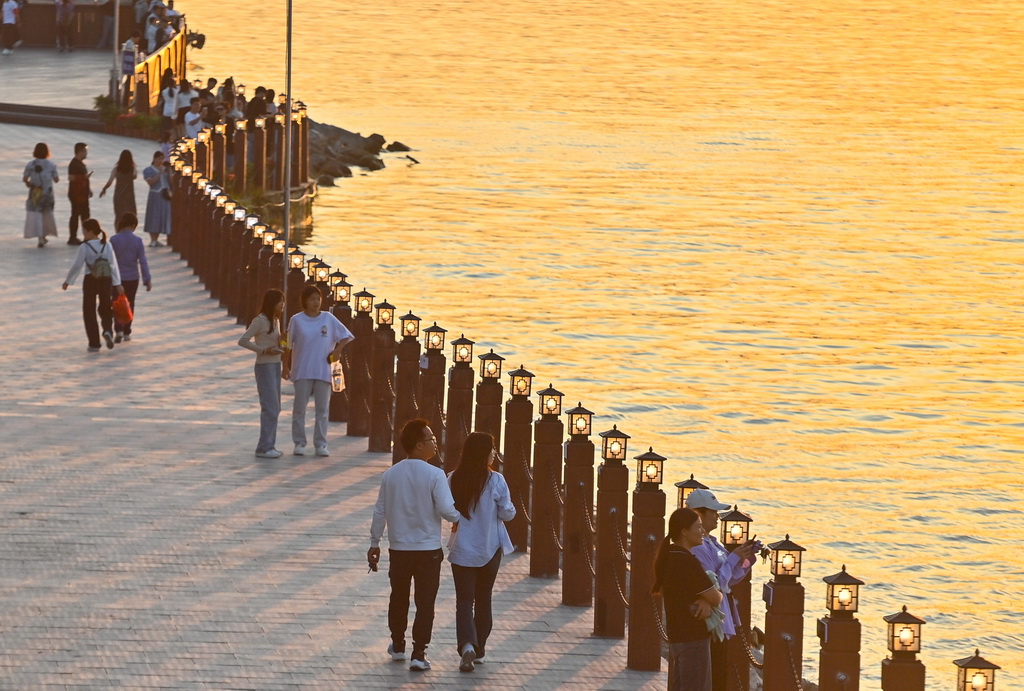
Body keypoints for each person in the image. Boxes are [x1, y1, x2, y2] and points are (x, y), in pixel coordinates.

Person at [369, 419, 463, 672]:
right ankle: (419, 652)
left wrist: (374, 542)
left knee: (398, 597)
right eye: (431, 439)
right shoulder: (435, 475)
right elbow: (446, 509)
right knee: (425, 602)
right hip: (428, 550)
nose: (435, 443)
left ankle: (398, 644)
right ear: (420, 445)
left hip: (399, 548)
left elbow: (380, 511)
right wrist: (461, 519)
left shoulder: (391, 474)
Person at [446, 432, 515, 672]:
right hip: (489, 548)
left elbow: (447, 510)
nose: (495, 453)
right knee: (484, 598)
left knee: (464, 600)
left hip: (462, 548)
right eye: (492, 448)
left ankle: (467, 645)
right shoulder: (496, 480)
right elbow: (508, 513)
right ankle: (480, 649)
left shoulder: (453, 478)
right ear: (483, 453)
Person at [685, 489, 758, 691]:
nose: (718, 517)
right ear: (699, 515)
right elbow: (714, 582)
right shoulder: (697, 546)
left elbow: (731, 578)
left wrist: (746, 557)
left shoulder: (712, 541)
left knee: (718, 673)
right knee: (711, 675)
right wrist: (733, 558)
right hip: (710, 619)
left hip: (721, 617)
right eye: (714, 512)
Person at [653, 508, 723, 691]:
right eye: (698, 527)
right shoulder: (686, 562)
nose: (702, 531)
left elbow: (701, 595)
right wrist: (710, 599)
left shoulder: (670, 556)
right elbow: (717, 597)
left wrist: (705, 600)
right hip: (694, 639)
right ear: (684, 531)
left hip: (678, 636)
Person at [283, 285, 354, 457]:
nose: (316, 302)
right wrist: (285, 366)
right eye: (312, 299)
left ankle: (321, 444)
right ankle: (299, 442)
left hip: (323, 369)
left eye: (318, 298)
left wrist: (338, 350)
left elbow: (346, 336)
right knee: (299, 409)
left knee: (322, 409)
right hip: (302, 369)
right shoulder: (296, 320)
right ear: (305, 301)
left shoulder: (328, 318)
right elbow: (287, 344)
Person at [62, 218, 125, 352]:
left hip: (91, 279)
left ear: (90, 231)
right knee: (105, 307)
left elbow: (77, 265)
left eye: (84, 230)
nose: (83, 233)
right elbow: (113, 265)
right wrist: (117, 283)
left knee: (89, 311)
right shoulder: (107, 245)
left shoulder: (84, 247)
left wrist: (68, 281)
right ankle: (107, 330)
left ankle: (94, 343)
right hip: (106, 279)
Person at [238, 289, 285, 459]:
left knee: (276, 407)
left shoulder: (276, 320)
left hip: (275, 365)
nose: (282, 305)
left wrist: (282, 342)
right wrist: (263, 350)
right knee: (270, 407)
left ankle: (269, 444)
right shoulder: (260, 321)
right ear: (272, 303)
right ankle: (264, 447)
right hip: (264, 366)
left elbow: (276, 342)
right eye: (280, 302)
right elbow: (243, 340)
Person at [108, 212, 151, 343]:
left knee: (116, 302)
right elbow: (142, 261)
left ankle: (118, 329)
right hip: (132, 277)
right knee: (130, 303)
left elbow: (110, 260)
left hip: (117, 278)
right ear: (133, 225)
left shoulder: (114, 240)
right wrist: (147, 279)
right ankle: (127, 330)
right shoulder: (137, 241)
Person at [23, 142, 59, 247]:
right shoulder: (51, 165)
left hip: (35, 193)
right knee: (47, 214)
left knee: (37, 214)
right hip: (48, 193)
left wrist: (30, 184)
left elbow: (25, 179)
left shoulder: (30, 164)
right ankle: (44, 236)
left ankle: (40, 238)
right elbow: (56, 180)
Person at [99, 149, 138, 227]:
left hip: (118, 196)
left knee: (119, 216)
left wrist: (104, 189)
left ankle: (118, 233)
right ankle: (128, 233)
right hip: (129, 197)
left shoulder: (116, 169)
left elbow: (109, 182)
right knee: (131, 217)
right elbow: (135, 177)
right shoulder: (133, 169)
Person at [142, 150, 171, 247]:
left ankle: (157, 238)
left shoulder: (165, 169)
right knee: (153, 216)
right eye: (159, 158)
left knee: (161, 216)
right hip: (155, 195)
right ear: (154, 158)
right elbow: (151, 182)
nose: (161, 161)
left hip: (164, 195)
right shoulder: (149, 170)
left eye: (162, 159)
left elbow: (170, 182)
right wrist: (159, 173)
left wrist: (169, 171)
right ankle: (152, 239)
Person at [67, 142, 92, 246]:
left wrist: (88, 189)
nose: (86, 153)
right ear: (80, 151)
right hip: (76, 194)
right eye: (85, 151)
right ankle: (72, 237)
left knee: (85, 216)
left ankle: (87, 236)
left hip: (83, 194)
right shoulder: (74, 164)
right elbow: (71, 178)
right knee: (76, 215)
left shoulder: (80, 164)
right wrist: (85, 177)